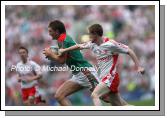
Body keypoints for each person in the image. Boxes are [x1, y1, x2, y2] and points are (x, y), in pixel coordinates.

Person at [59, 24, 145, 105]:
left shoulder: (110, 44)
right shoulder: (92, 44)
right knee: (119, 105)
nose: (89, 36)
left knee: (95, 95)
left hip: (111, 77)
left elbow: (129, 51)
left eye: (90, 34)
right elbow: (78, 46)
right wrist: (64, 50)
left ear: (96, 34)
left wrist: (139, 66)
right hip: (104, 77)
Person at [43, 20, 99, 106]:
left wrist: (51, 54)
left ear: (57, 31)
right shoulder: (61, 40)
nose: (49, 33)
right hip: (78, 75)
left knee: (106, 97)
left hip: (85, 73)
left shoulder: (64, 40)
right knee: (59, 96)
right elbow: (62, 58)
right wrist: (53, 55)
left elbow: (62, 61)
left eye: (50, 31)